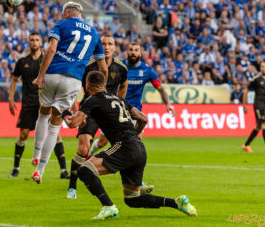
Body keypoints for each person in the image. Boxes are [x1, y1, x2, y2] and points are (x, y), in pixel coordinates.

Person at [64, 71, 197, 219]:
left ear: (87, 86)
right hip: (139, 147)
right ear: (104, 85)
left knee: (84, 170)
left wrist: (63, 112)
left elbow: (72, 123)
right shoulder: (119, 100)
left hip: (125, 146)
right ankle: (177, 203)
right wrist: (133, 135)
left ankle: (108, 206)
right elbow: (143, 119)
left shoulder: (92, 100)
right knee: (132, 199)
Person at [30, 1, 108, 184]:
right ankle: (39, 171)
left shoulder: (61, 24)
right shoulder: (94, 33)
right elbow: (103, 67)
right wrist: (101, 88)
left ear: (66, 13)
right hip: (73, 80)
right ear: (80, 15)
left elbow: (51, 49)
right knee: (55, 125)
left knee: (43, 114)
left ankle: (35, 154)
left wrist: (40, 77)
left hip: (52, 74)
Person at [88, 43, 175, 158]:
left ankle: (130, 172)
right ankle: (89, 155)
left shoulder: (147, 70)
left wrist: (168, 104)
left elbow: (160, 88)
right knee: (102, 142)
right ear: (127, 52)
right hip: (115, 109)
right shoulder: (119, 66)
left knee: (137, 144)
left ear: (140, 53)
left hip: (134, 112)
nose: (133, 52)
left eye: (136, 50)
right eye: (131, 50)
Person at [67, 34, 128, 199]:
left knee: (124, 146)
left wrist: (120, 103)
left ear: (115, 47)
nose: (107, 47)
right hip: (90, 111)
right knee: (83, 148)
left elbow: (123, 86)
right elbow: (76, 89)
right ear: (98, 47)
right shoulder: (88, 66)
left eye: (110, 44)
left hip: (110, 113)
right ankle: (72, 185)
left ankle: (134, 182)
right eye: (103, 44)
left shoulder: (121, 68)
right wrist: (78, 110)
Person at [8, 32, 69, 178]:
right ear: (28, 43)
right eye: (32, 40)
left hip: (46, 102)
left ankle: (63, 170)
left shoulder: (47, 59)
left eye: (37, 40)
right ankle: (16, 167)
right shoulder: (22, 62)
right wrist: (11, 98)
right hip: (29, 103)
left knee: (56, 135)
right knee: (23, 134)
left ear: (41, 43)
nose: (34, 42)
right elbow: (14, 79)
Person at [242, 62, 265, 153]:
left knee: (258, 126)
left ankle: (246, 145)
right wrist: (244, 105)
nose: (263, 68)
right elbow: (246, 91)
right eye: (262, 66)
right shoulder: (256, 79)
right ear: (260, 68)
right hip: (258, 105)